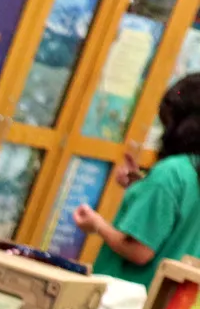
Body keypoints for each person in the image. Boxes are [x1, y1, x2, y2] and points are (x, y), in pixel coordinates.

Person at [76, 74, 200, 286]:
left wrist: (97, 225)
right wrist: (142, 186)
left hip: (128, 303)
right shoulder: (189, 171)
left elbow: (139, 251)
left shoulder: (171, 173)